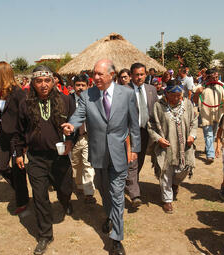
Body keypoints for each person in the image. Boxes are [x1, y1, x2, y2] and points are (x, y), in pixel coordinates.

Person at [62, 59, 141, 255]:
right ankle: (111, 216)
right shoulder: (87, 95)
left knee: (116, 193)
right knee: (103, 190)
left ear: (111, 75)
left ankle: (116, 239)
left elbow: (133, 125)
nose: (95, 77)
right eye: (94, 73)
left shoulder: (127, 94)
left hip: (119, 154)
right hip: (97, 153)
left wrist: (135, 149)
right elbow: (79, 115)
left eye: (99, 74)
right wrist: (71, 125)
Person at [15, 65, 75, 255]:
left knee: (65, 188)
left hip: (60, 157)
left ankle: (65, 202)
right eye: (39, 81)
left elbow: (76, 124)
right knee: (40, 197)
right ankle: (45, 235)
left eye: (47, 80)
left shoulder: (65, 100)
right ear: (33, 83)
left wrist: (70, 140)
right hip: (36, 158)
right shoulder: (25, 104)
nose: (43, 85)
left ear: (53, 81)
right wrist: (18, 153)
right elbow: (18, 131)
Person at [148, 79, 197, 213]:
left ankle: (175, 184)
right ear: (166, 93)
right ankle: (167, 200)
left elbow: (194, 121)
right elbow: (151, 126)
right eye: (174, 95)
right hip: (166, 147)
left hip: (184, 147)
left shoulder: (187, 104)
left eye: (179, 95)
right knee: (165, 172)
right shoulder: (158, 106)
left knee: (184, 170)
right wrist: (158, 139)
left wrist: (192, 135)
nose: (177, 98)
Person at [0, 61, 29, 214]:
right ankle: (21, 189)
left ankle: (22, 200)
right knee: (1, 166)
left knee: (17, 169)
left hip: (16, 137)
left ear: (1, 75)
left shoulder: (18, 93)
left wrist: (24, 141)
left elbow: (25, 118)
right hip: (3, 135)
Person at [124, 62, 158, 208]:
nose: (139, 77)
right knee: (132, 162)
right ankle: (135, 194)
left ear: (146, 74)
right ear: (131, 75)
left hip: (146, 131)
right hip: (130, 132)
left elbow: (156, 110)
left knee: (141, 160)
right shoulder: (123, 90)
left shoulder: (152, 89)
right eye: (136, 74)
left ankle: (131, 183)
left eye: (142, 74)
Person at [70, 74, 96, 204]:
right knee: (75, 164)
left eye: (83, 85)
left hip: (88, 137)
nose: (80, 88)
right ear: (73, 86)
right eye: (78, 85)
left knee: (88, 164)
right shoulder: (67, 100)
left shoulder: (93, 99)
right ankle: (79, 185)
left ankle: (89, 192)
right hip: (72, 139)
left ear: (88, 86)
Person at [194, 68, 224, 163]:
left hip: (218, 115)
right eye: (214, 77)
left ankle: (208, 148)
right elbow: (195, 101)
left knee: (213, 135)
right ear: (208, 77)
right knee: (208, 134)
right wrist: (197, 93)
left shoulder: (222, 86)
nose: (216, 79)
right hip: (206, 115)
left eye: (217, 77)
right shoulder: (201, 87)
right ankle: (210, 155)